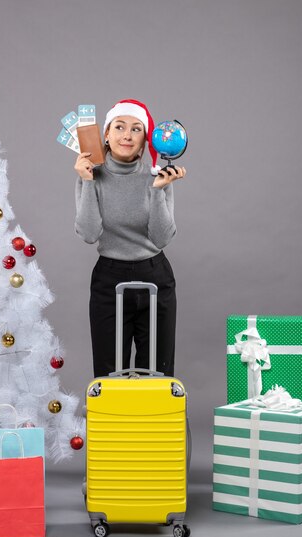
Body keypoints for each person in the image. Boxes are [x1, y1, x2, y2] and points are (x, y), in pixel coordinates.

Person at [74, 99, 186, 378]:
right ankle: (114, 422)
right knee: (109, 370)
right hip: (109, 278)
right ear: (107, 136)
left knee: (157, 370)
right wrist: (87, 182)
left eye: (136, 129)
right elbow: (89, 234)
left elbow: (161, 239)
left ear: (144, 139)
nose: (127, 135)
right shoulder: (91, 175)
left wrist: (158, 190)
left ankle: (153, 422)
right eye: (120, 127)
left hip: (155, 275)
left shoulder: (157, 176)